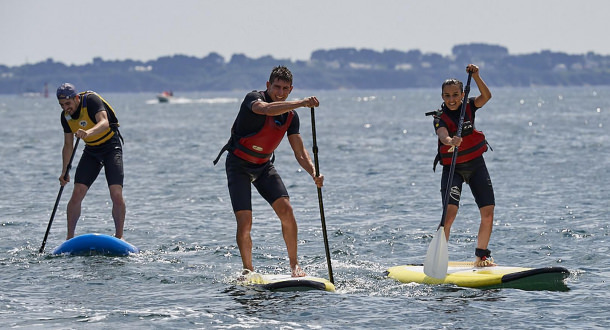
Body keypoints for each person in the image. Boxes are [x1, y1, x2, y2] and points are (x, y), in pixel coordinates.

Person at [213, 66, 323, 277]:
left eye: (284, 88)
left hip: (263, 167)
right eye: (276, 87)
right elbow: (266, 110)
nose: (279, 92)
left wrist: (314, 173)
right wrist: (302, 102)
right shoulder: (253, 99)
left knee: (287, 211)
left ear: (290, 89)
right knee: (245, 222)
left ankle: (294, 265)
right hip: (238, 166)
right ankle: (248, 270)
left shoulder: (291, 117)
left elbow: (300, 152)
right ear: (268, 86)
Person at [430, 64, 495, 267]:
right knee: (449, 215)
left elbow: (487, 96)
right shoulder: (440, 117)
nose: (451, 99)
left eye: (455, 95)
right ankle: (437, 260)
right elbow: (442, 134)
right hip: (454, 169)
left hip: (476, 165)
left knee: (488, 211)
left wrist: (476, 76)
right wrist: (450, 141)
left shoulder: (470, 105)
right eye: (447, 96)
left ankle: (481, 257)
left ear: (462, 94)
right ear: (442, 97)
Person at [56, 83, 126, 240]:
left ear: (76, 98)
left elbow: (104, 122)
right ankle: (69, 239)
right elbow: (68, 145)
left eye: (68, 103)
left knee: (116, 193)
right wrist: (64, 172)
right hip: (91, 151)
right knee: (77, 193)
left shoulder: (91, 101)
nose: (66, 108)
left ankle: (119, 237)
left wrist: (88, 132)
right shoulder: (65, 117)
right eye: (61, 105)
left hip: (111, 147)